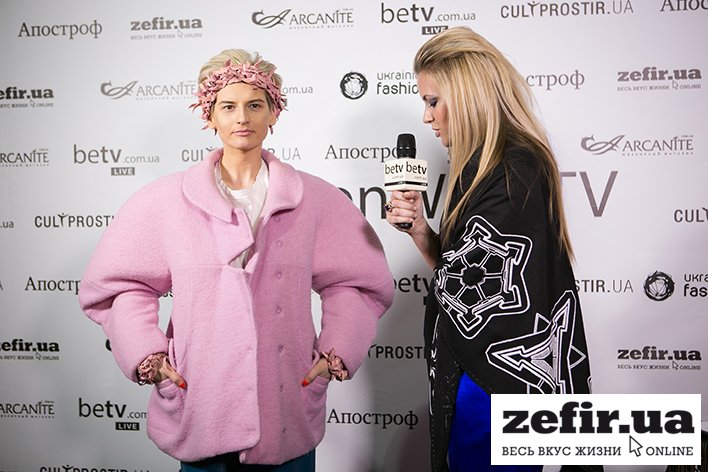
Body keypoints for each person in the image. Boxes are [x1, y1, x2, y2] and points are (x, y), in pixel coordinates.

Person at [78, 49, 394, 471]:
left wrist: (337, 349)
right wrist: (147, 355)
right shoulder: (164, 201)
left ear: (273, 113)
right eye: (228, 106)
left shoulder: (316, 199)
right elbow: (121, 285)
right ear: (209, 115)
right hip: (200, 406)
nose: (242, 117)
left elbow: (356, 280)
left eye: (255, 105)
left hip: (286, 410)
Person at [384, 27, 594, 472]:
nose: (426, 117)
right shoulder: (481, 167)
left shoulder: (514, 167)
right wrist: (421, 231)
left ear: (467, 96)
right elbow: (471, 277)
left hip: (497, 382)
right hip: (483, 375)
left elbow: (474, 295)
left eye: (433, 101)